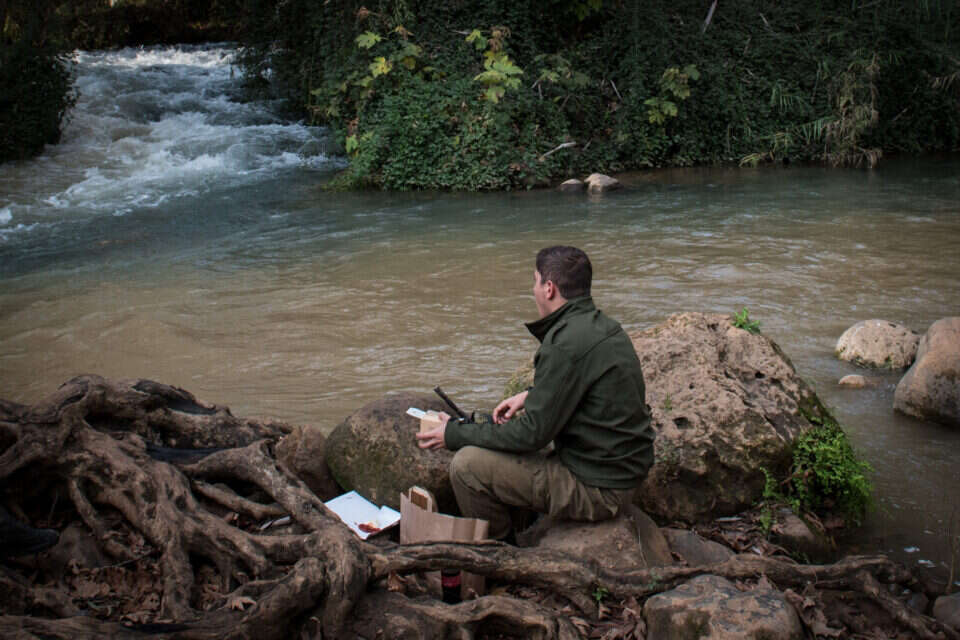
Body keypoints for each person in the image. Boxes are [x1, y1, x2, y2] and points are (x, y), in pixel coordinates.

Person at [416, 246, 654, 541]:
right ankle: (524, 525)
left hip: (600, 488)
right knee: (503, 437)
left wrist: (453, 434)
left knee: (466, 466)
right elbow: (588, 387)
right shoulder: (605, 327)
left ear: (549, 288)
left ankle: (502, 552)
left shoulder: (564, 344)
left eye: (535, 281)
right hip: (621, 472)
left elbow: (531, 435)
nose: (534, 289)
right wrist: (531, 395)